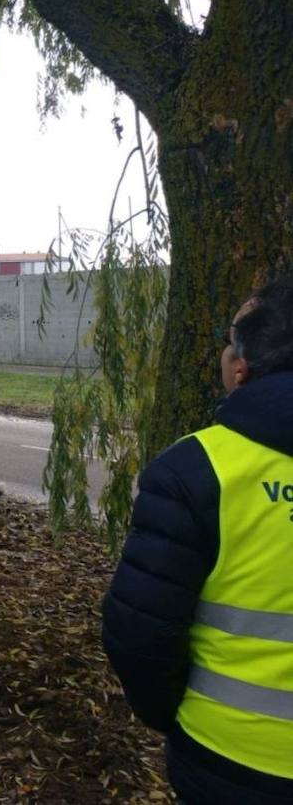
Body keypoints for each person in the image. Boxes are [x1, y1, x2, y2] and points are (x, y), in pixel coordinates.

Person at [103, 274, 293, 805]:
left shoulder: (197, 470)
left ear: (240, 370)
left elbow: (139, 633)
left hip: (232, 760)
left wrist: (173, 717)